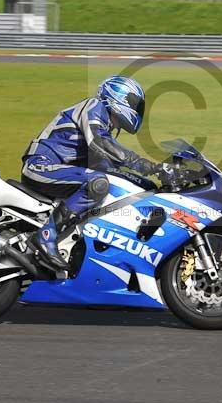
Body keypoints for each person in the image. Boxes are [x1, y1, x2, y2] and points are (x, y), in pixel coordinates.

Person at [21, 75, 162, 270]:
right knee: (97, 182)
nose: (137, 109)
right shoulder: (94, 107)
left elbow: (108, 167)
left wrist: (144, 182)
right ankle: (46, 236)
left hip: (63, 171)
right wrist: (144, 164)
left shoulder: (103, 123)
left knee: (112, 182)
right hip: (41, 165)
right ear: (118, 96)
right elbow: (100, 143)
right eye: (134, 103)